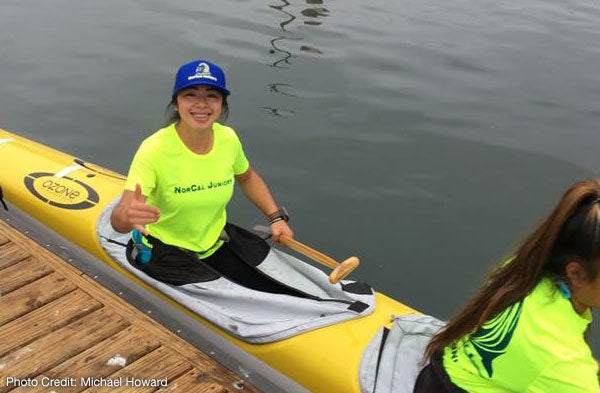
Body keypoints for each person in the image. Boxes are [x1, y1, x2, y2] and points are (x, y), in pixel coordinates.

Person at [110, 59, 297, 293]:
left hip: (215, 243)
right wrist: (127, 216)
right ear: (176, 103)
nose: (201, 104)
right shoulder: (154, 150)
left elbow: (247, 177)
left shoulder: (227, 139)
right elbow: (119, 221)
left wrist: (275, 217)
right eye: (190, 95)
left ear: (221, 104)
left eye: (212, 96)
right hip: (165, 253)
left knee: (280, 288)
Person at [414, 180, 600, 393]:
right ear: (575, 273)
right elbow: (557, 360)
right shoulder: (563, 361)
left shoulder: (523, 271)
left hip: (435, 377)